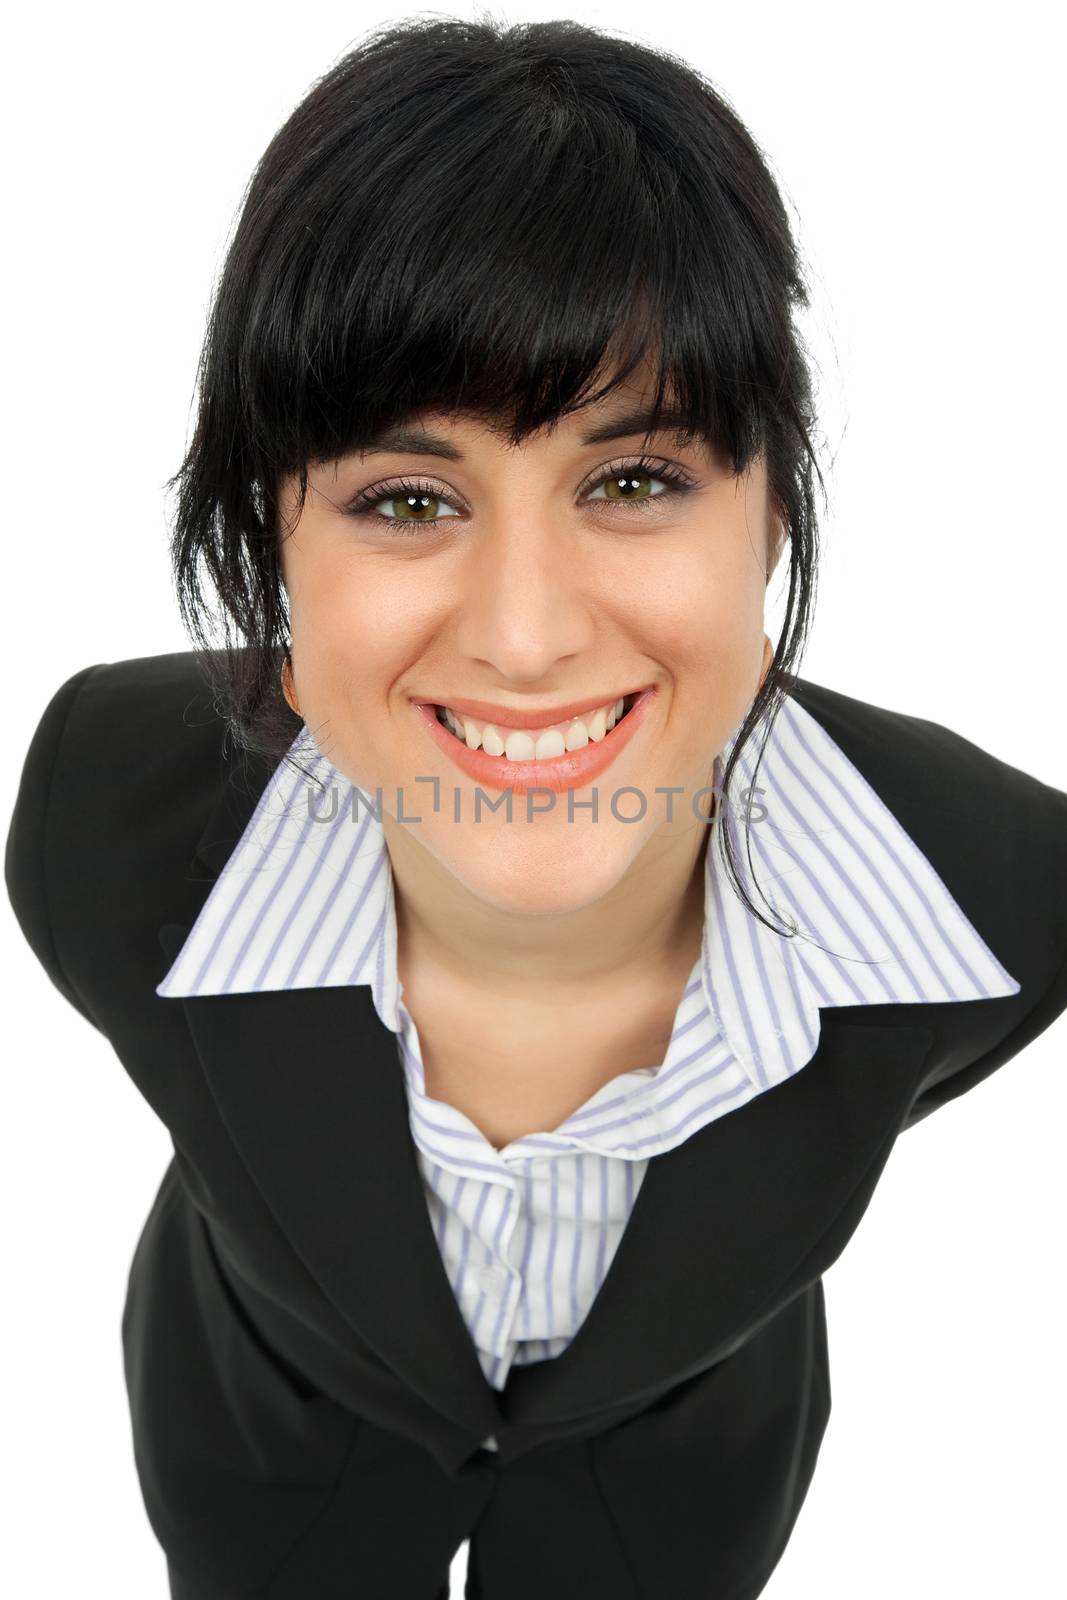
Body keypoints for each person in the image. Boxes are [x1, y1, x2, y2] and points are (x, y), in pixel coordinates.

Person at [6, 15, 1066, 1600]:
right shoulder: (107, 819)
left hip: (676, 1486)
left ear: (772, 508)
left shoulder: (1000, 899)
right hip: (269, 1441)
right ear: (274, 550)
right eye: (407, 500)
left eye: (633, 481)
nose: (524, 634)